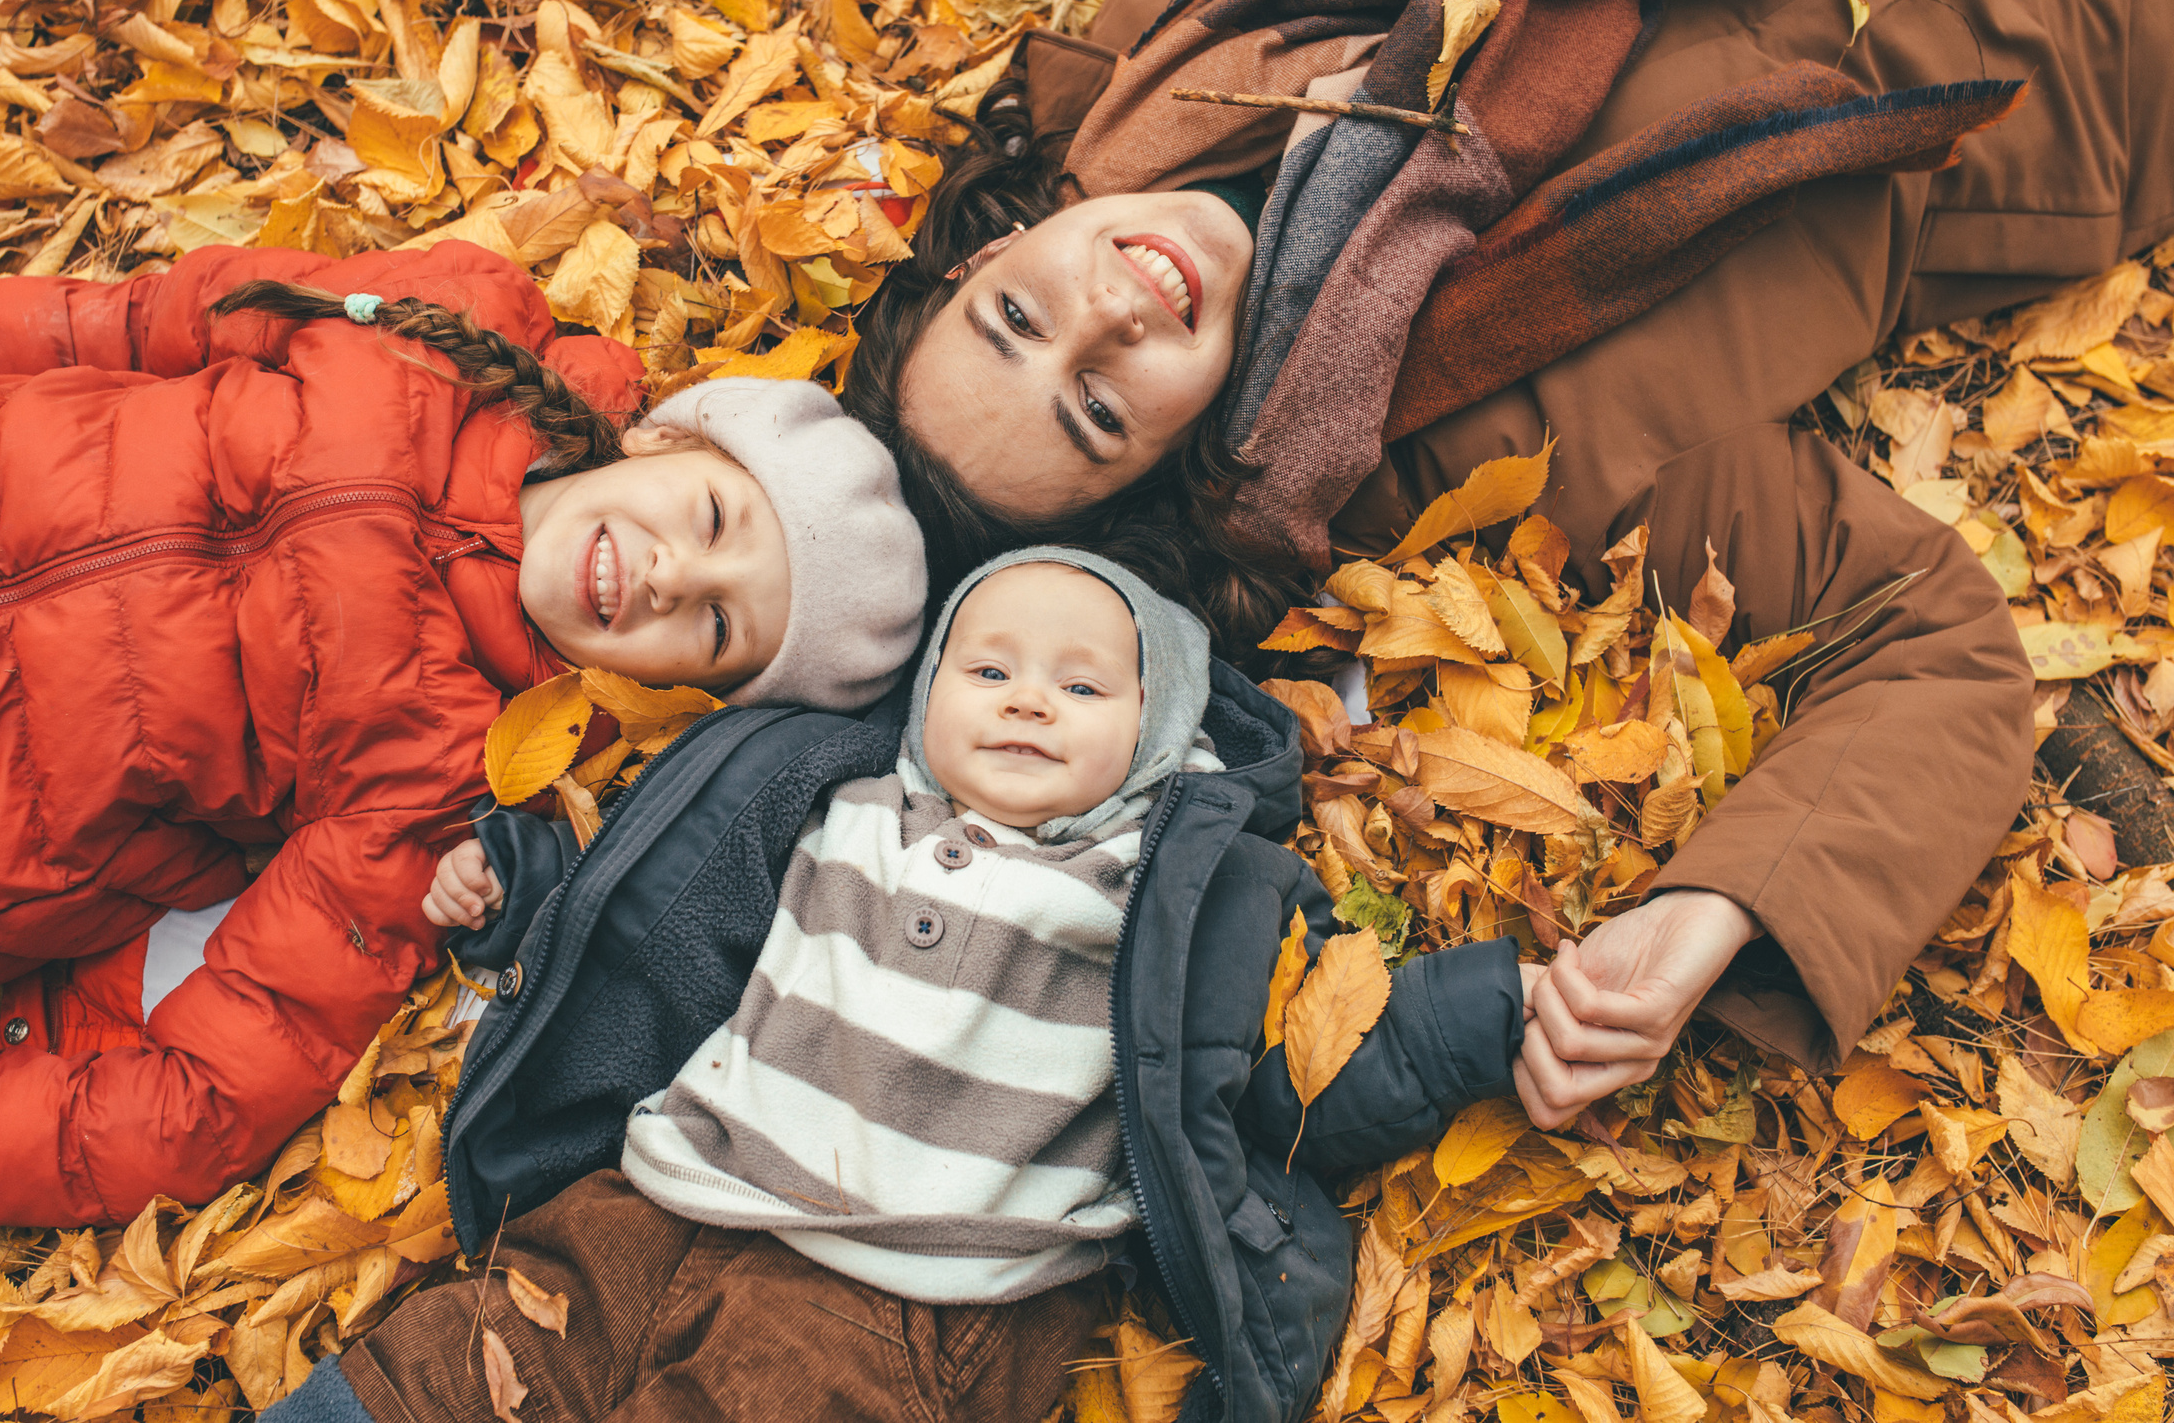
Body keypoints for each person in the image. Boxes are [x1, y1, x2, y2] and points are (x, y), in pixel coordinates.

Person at [840, 0, 2174, 1129]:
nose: (1112, 313)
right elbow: (1930, 646)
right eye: (1096, 408)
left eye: (1016, 318)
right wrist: (1714, 911)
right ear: (1164, 471)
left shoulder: (1174, 47)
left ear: (979, 260)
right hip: (2144, 27)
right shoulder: (1499, 453)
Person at [0, 242, 925, 1408]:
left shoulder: (444, 783)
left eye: (716, 629)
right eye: (713, 519)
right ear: (667, 435)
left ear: (681, 698)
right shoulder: (449, 334)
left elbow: (222, 1080)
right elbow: (154, 319)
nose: (671, 576)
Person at [271, 548, 1532, 1423]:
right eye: (987, 673)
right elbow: (657, 923)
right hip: (655, 1207)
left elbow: (1300, 1053)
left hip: (902, 1296)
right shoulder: (835, 807)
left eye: (1082, 686)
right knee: (445, 1371)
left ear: (1158, 735)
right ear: (926, 694)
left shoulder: (1161, 884)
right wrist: (516, 888)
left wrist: (1489, 1015)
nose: (1029, 699)